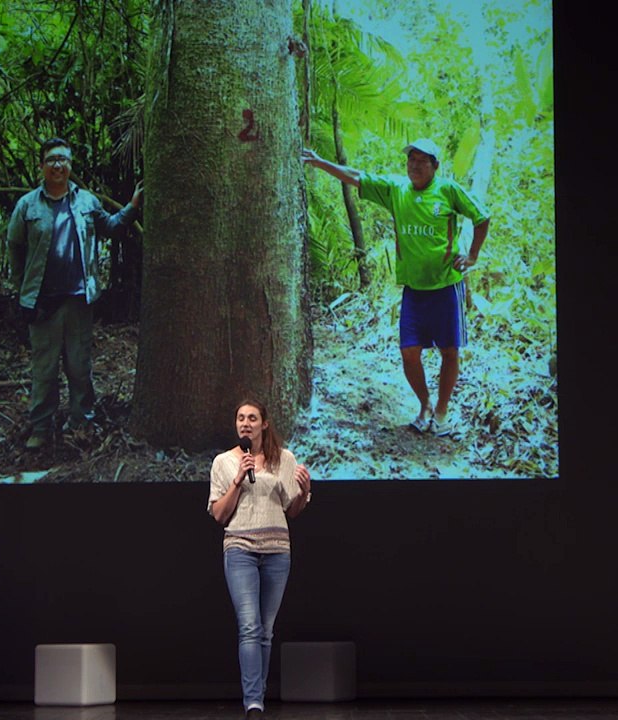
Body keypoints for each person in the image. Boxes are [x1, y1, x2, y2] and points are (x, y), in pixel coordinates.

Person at [302, 139, 492, 437]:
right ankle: (425, 404)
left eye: (422, 161)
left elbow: (482, 217)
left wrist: (472, 256)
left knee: (450, 351)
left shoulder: (448, 190)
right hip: (414, 290)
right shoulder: (395, 190)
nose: (414, 165)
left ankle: (442, 412)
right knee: (409, 352)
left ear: (435, 166)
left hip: (445, 286)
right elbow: (355, 175)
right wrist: (318, 162)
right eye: (411, 160)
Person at [7, 137, 142, 449]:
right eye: (52, 159)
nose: (58, 165)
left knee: (79, 366)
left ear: (70, 165)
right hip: (43, 303)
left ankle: (81, 421)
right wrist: (22, 290)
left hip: (79, 299)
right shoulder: (27, 205)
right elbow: (14, 248)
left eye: (64, 159)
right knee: (44, 368)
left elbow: (110, 227)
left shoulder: (86, 201)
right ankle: (41, 428)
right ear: (41, 166)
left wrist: (133, 207)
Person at [208, 399, 312, 719]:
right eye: (240, 418)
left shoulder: (285, 459)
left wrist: (304, 493)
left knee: (266, 630)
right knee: (250, 626)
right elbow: (219, 514)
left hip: (277, 551)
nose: (245, 423)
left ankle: (259, 696)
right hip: (240, 548)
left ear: (264, 424)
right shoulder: (224, 462)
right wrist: (239, 479)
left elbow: (292, 510)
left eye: (252, 418)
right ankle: (253, 703)